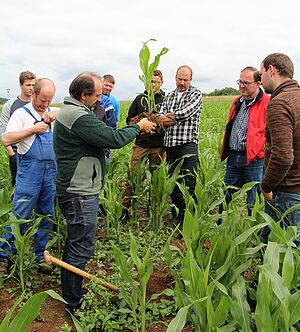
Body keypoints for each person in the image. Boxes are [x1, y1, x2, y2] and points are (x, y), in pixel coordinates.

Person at [52, 72, 156, 316]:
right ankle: (73, 304)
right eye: (96, 95)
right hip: (79, 191)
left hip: (77, 188)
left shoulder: (75, 112)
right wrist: (137, 127)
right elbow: (112, 138)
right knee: (81, 246)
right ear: (83, 95)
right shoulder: (78, 116)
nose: (99, 100)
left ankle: (71, 292)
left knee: (75, 242)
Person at [0, 78, 57, 274]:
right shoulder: (21, 114)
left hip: (51, 172)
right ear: (33, 94)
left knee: (47, 214)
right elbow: (6, 139)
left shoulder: (53, 111)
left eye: (49, 100)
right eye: (42, 100)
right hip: (29, 170)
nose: (45, 104)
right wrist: (33, 129)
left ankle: (40, 254)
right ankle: (5, 256)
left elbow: (72, 113)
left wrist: (56, 113)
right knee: (20, 213)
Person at [259, 53, 300, 245]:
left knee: (276, 252)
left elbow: (283, 156)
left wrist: (266, 186)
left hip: (287, 193)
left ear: (272, 70)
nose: (261, 80)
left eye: (261, 74)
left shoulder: (279, 102)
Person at [220, 66, 270, 215]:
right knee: (225, 195)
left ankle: (254, 233)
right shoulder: (237, 101)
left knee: (254, 201)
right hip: (234, 157)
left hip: (254, 160)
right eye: (240, 82)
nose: (242, 86)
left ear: (258, 83)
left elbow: (271, 132)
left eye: (246, 83)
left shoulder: (268, 102)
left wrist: (260, 151)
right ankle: (220, 225)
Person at [159, 65, 202, 225]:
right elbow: (159, 116)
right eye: (179, 78)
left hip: (187, 145)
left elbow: (185, 113)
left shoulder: (195, 94)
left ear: (190, 80)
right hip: (170, 145)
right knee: (173, 182)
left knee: (190, 182)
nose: (182, 82)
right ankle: (178, 216)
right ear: (175, 77)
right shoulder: (169, 96)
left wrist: (170, 117)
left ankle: (192, 218)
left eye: (185, 79)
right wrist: (166, 118)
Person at [123, 69, 166, 211]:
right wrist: (142, 121)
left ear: (162, 83)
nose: (153, 84)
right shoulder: (140, 99)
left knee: (156, 179)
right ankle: (124, 209)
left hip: (158, 146)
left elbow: (170, 119)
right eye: (151, 81)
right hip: (141, 144)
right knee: (133, 176)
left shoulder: (166, 99)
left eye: (156, 82)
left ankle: (153, 210)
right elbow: (129, 119)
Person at [0, 71, 36, 186]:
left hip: (35, 153)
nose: (31, 88)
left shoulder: (38, 104)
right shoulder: (10, 105)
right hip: (16, 152)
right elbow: (3, 129)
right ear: (21, 85)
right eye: (28, 85)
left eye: (33, 85)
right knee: (17, 186)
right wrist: (11, 154)